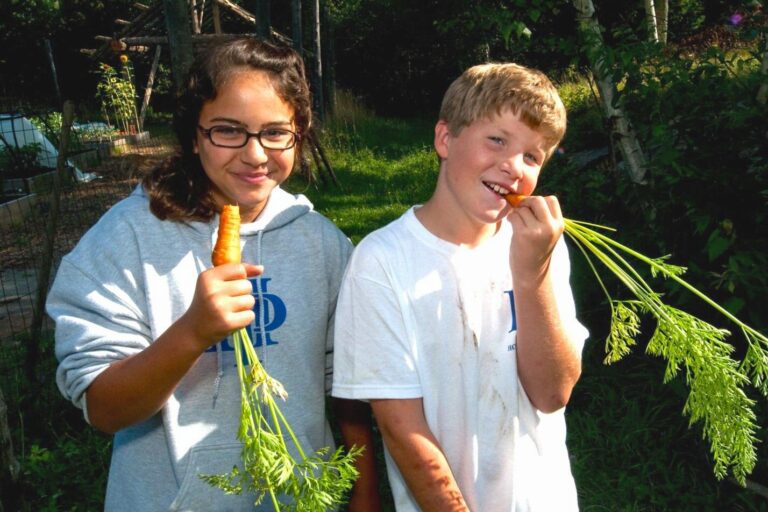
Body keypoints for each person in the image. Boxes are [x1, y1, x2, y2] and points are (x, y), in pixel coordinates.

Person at [48, 37, 379, 511]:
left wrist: (364, 495)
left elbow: (347, 386)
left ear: (298, 135)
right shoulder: (125, 241)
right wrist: (192, 333)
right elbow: (104, 409)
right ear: (193, 135)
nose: (255, 154)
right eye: (228, 131)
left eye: (275, 132)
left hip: (302, 498)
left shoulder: (321, 243)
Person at [332, 62, 589, 511]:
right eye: (497, 140)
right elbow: (402, 430)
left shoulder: (541, 248)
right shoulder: (381, 261)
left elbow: (552, 394)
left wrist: (531, 275)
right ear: (445, 139)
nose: (513, 167)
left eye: (532, 157)